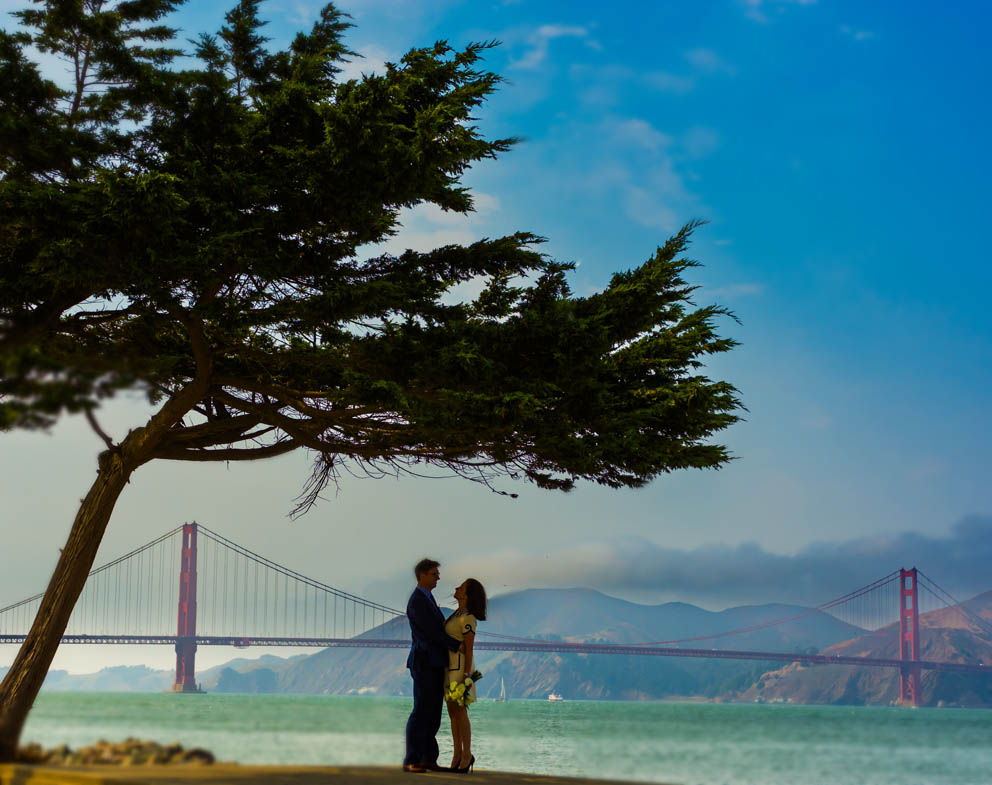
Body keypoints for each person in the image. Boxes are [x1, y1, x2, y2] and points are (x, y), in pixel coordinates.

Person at [404, 558, 462, 773]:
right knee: (421, 712)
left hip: (434, 663)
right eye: (434, 574)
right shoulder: (418, 600)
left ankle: (428, 758)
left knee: (433, 713)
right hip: (424, 662)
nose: (438, 577)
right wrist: (457, 645)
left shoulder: (427, 598)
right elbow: (432, 632)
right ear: (422, 575)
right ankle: (412, 759)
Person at [444, 578, 487, 774]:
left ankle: (467, 755)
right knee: (452, 714)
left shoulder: (468, 617)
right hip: (448, 669)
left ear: (467, 595)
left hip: (460, 670)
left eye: (461, 587)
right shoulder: (457, 614)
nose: (456, 587)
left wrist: (467, 677)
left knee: (461, 713)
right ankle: (456, 754)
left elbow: (469, 649)